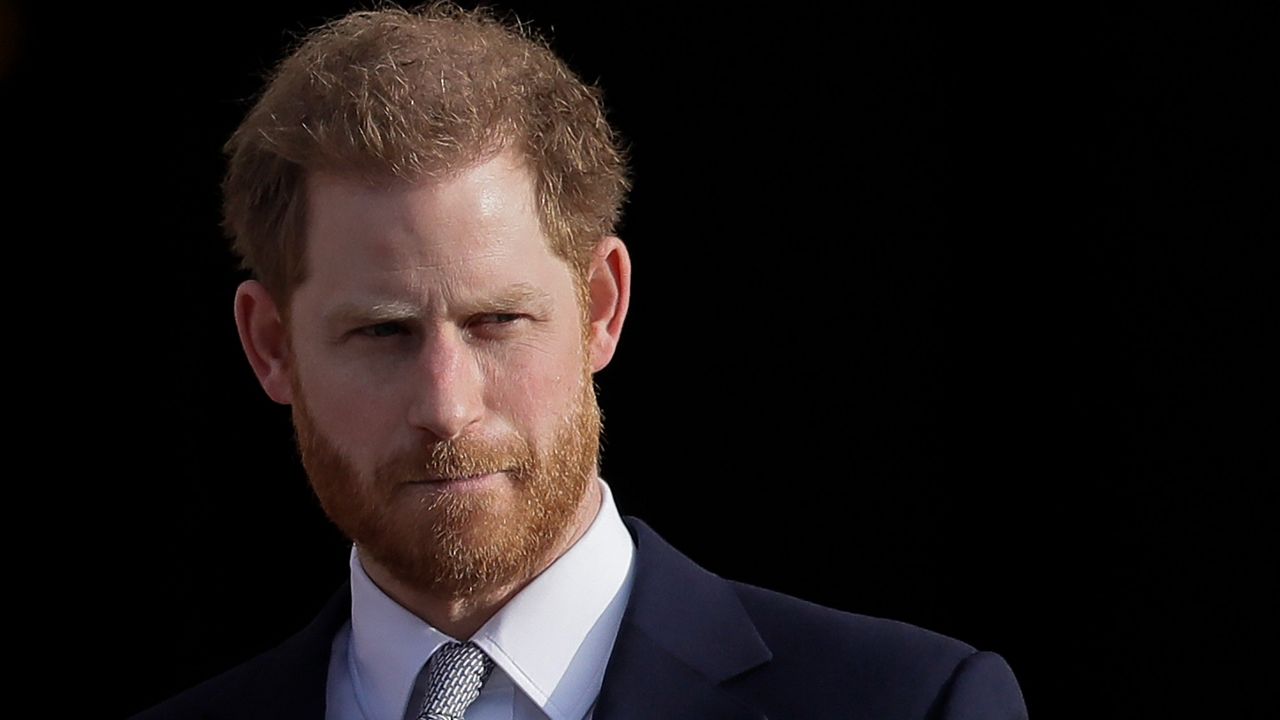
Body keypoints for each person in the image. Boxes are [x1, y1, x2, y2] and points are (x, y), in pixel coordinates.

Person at [133, 3, 1028, 718]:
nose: (447, 407)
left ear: (600, 307)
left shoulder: (906, 704)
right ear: (270, 347)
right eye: (383, 333)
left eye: (497, 321)